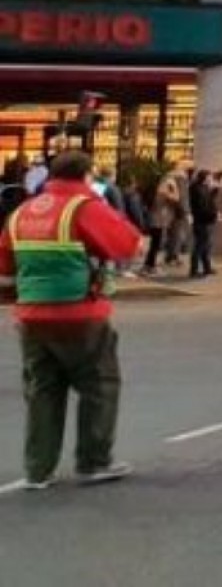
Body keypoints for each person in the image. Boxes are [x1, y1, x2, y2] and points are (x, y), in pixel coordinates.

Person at [1, 150, 144, 489]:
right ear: (85, 176)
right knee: (99, 385)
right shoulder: (83, 207)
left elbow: (5, 264)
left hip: (33, 315)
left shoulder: (23, 212)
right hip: (79, 313)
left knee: (42, 391)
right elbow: (126, 244)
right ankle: (93, 462)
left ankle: (38, 470)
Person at [150, 162, 191, 273]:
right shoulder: (174, 180)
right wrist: (185, 211)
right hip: (164, 216)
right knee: (168, 238)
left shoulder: (168, 180)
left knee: (159, 241)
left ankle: (156, 263)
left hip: (164, 216)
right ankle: (159, 262)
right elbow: (178, 198)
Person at [187, 170, 220, 279]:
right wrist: (213, 215)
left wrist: (215, 189)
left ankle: (207, 268)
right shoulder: (197, 189)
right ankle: (194, 270)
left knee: (205, 245)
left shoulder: (202, 188)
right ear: (205, 178)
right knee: (200, 246)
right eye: (209, 177)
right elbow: (204, 206)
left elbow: (210, 200)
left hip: (205, 220)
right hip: (202, 221)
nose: (211, 179)